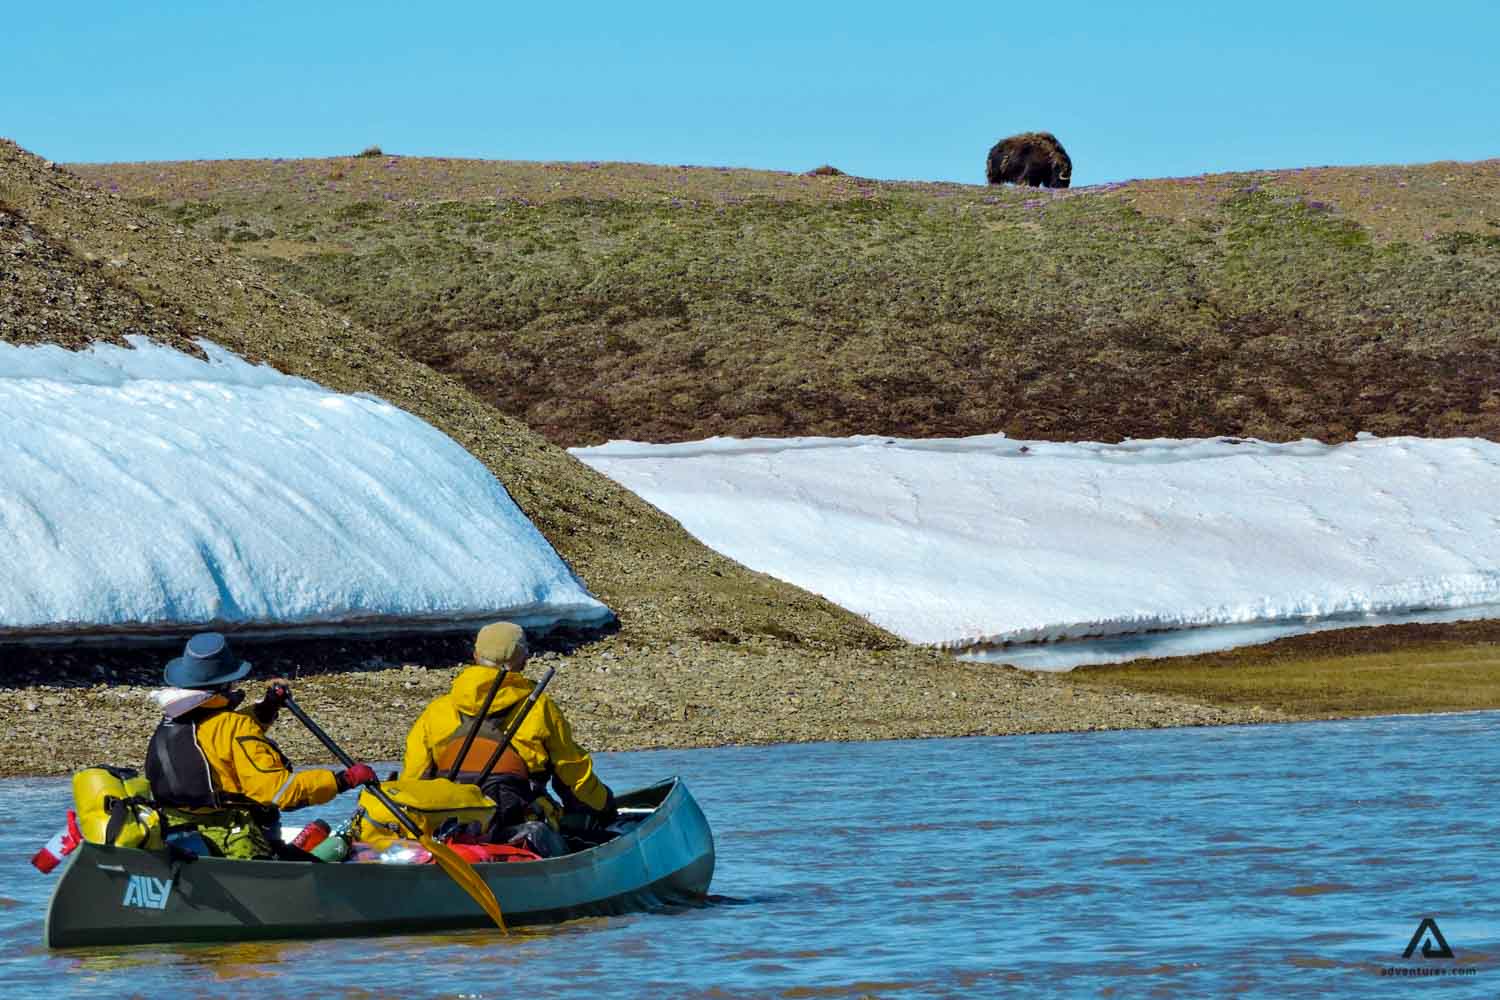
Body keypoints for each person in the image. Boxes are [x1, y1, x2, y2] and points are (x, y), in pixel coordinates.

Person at [144, 632, 375, 860]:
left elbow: (220, 732)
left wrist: (268, 707)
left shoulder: (174, 721)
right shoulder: (235, 727)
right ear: (227, 682)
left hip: (174, 829)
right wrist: (343, 781)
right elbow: (279, 792)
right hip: (227, 838)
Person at [402, 621, 616, 855]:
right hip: (515, 823)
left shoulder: (437, 711)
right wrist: (604, 807)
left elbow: (413, 781)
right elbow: (574, 776)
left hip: (449, 830)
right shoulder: (539, 708)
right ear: (523, 659)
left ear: (475, 655)